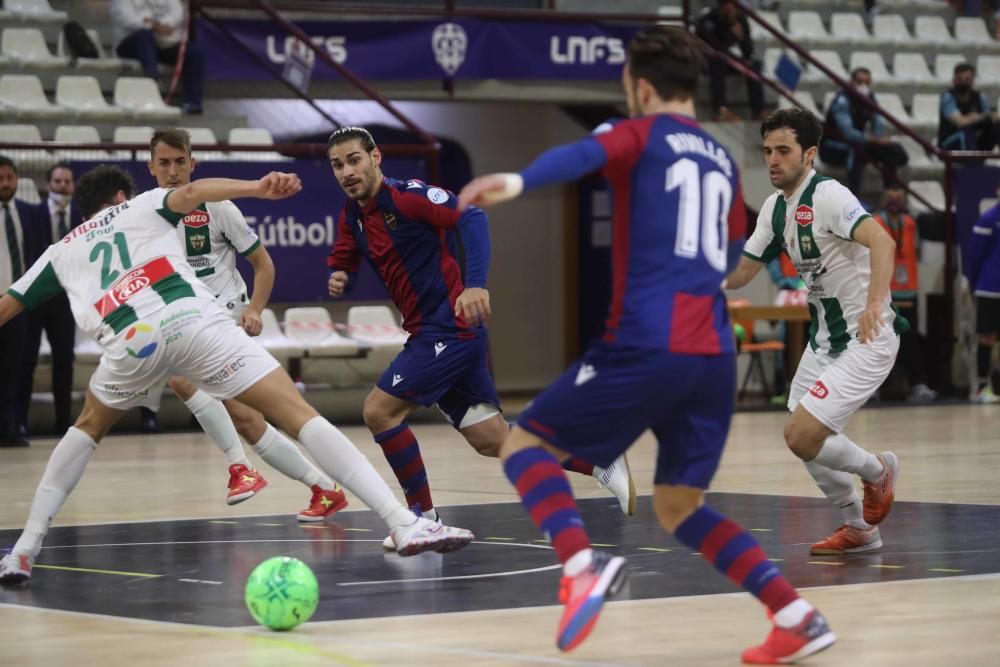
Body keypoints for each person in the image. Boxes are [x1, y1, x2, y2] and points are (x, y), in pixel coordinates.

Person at [458, 27, 835, 664]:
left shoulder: (639, 134)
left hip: (648, 342)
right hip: (714, 352)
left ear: (641, 85)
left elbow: (577, 158)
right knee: (679, 505)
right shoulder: (720, 158)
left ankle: (581, 565)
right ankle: (795, 615)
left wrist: (517, 183)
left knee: (522, 445)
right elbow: (729, 241)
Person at [0, 165, 474, 585]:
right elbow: (195, 192)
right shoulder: (143, 204)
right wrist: (257, 187)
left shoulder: (59, 250)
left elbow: (9, 306)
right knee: (297, 415)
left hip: (132, 341)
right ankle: (401, 521)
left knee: (85, 430)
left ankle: (24, 551)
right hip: (194, 322)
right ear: (122, 198)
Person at [326, 126, 636, 550]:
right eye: (338, 164)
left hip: (449, 328)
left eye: (354, 160)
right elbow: (348, 247)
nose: (347, 171)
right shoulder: (353, 214)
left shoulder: (409, 196)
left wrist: (475, 284)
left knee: (379, 411)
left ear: (376, 157)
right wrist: (341, 272)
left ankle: (423, 517)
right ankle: (598, 458)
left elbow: (471, 217)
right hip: (432, 332)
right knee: (494, 441)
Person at [725, 108, 903, 558]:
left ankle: (878, 470)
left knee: (803, 435)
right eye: (767, 151)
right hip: (825, 342)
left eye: (783, 150)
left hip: (868, 338)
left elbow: (884, 242)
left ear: (809, 154)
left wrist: (873, 305)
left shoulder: (828, 195)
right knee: (802, 438)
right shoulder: (774, 207)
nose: (772, 160)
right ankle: (858, 528)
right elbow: (745, 271)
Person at [147, 128, 347, 521]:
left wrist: (254, 309)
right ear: (151, 167)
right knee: (248, 419)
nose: (173, 171)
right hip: (186, 320)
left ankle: (241, 469)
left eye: (180, 162)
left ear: (193, 164)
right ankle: (323, 488)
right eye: (164, 163)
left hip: (223, 314)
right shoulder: (147, 215)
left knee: (183, 381)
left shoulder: (218, 207)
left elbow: (264, 264)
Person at [19, 163, 83, 435]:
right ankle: (18, 421)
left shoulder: (80, 216)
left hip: (66, 300)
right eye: (57, 181)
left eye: (67, 181)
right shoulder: (32, 214)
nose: (62, 186)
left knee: (64, 361)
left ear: (73, 185)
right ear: (48, 184)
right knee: (26, 359)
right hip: (35, 299)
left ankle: (62, 421)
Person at [873, 182, 937, 403]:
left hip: (909, 290)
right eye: (890, 197)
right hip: (884, 292)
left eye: (898, 198)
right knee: (879, 342)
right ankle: (873, 387)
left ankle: (917, 383)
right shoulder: (875, 222)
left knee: (910, 342)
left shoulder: (910, 223)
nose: (894, 202)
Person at [0, 155, 39, 447]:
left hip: (18, 303)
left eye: (9, 178)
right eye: (0, 178)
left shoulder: (29, 212)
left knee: (16, 368)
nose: (5, 184)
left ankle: (11, 428)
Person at [819, 67, 908, 194]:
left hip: (858, 143)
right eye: (860, 82)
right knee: (857, 150)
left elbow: (878, 123)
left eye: (867, 83)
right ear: (851, 82)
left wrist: (880, 141)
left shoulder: (869, 98)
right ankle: (854, 199)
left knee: (891, 151)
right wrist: (874, 140)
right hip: (833, 147)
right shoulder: (842, 101)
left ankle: (890, 195)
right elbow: (848, 133)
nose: (864, 86)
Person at [110, 0, 205, 114]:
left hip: (162, 42)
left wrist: (163, 24)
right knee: (144, 36)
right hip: (130, 43)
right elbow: (125, 18)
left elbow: (176, 12)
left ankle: (192, 102)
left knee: (194, 52)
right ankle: (153, 90)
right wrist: (153, 26)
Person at [694, 0, 765, 122]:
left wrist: (741, 37)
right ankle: (720, 110)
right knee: (718, 60)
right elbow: (713, 46)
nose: (731, 9)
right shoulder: (709, 19)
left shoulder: (740, 20)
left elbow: (748, 52)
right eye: (728, 5)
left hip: (729, 61)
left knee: (753, 64)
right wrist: (731, 35)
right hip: (708, 62)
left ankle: (757, 110)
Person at [966, 198, 1000, 402]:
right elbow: (975, 255)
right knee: (987, 337)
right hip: (990, 289)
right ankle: (981, 388)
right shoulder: (988, 219)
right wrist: (974, 283)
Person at [938, 63, 999, 153]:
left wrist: (977, 117)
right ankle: (972, 162)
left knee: (996, 127)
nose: (963, 83)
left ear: (972, 81)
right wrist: (978, 117)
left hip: (975, 140)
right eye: (959, 79)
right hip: (950, 142)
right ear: (954, 80)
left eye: (967, 79)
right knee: (966, 132)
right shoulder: (948, 97)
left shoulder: (980, 97)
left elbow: (990, 118)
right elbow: (960, 122)